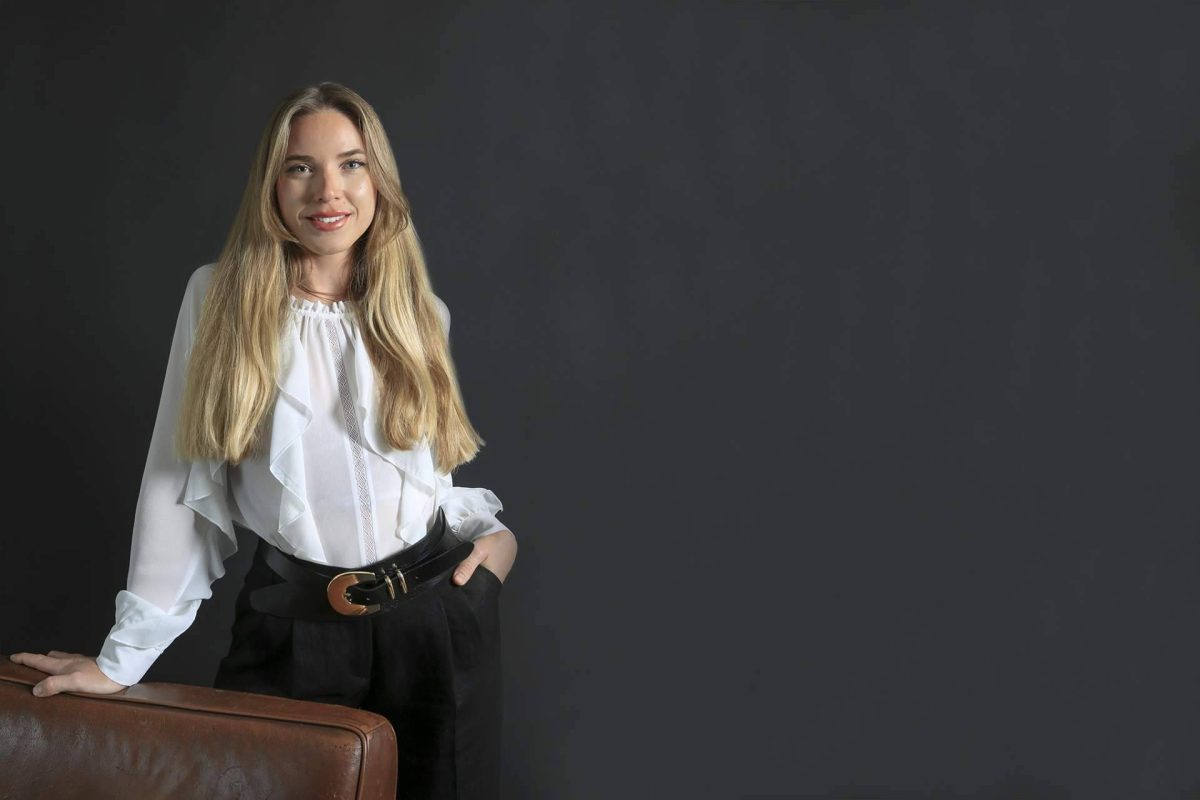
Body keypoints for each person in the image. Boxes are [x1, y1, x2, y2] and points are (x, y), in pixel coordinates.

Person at [9, 81, 517, 799]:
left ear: (378, 179)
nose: (328, 190)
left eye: (351, 164)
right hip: (292, 627)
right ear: (271, 186)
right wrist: (121, 659)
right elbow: (178, 485)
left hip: (438, 620)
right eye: (299, 167)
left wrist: (489, 535)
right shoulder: (219, 299)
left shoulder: (418, 309)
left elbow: (421, 478)